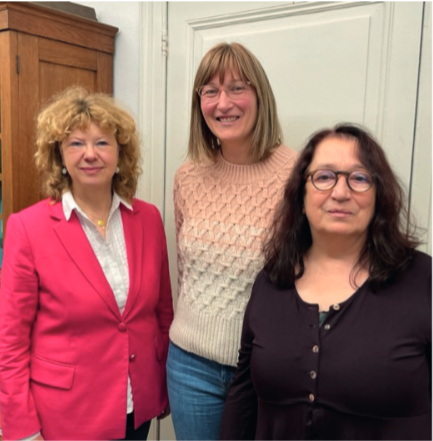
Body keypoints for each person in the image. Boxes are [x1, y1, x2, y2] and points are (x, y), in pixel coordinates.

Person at [220, 123, 432, 440]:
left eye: (359, 178)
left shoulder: (421, 281)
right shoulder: (271, 280)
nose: (341, 192)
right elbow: (244, 395)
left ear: (379, 194)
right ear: (301, 196)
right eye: (324, 177)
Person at [0, 87, 174, 440]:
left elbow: (162, 312)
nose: (90, 154)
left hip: (136, 406)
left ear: (120, 154)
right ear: (59, 156)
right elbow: (11, 342)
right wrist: (20, 426)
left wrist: (165, 386)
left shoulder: (149, 219)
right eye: (76, 143)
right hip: (65, 417)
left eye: (102, 143)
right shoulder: (27, 228)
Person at [166, 42, 297, 440]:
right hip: (190, 366)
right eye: (210, 91)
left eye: (237, 87)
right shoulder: (187, 176)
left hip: (266, 367)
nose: (223, 103)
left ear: (260, 95)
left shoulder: (297, 174)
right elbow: (185, 272)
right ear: (199, 103)